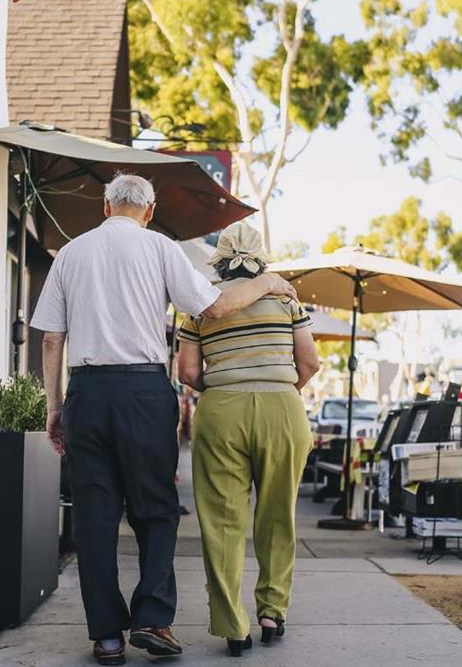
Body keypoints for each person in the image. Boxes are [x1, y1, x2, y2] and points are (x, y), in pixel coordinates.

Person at [31, 173, 298, 666]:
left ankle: (108, 636)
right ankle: (153, 619)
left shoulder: (70, 253)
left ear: (106, 206)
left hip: (87, 392)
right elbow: (215, 308)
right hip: (143, 392)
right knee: (155, 510)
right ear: (149, 211)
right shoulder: (161, 249)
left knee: (94, 518)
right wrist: (265, 282)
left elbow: (51, 338)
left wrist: (55, 406)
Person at [176, 222, 320, 657]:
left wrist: (225, 388)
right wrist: (276, 389)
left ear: (219, 258)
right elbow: (310, 362)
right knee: (278, 515)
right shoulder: (285, 300)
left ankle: (233, 626)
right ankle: (272, 610)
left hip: (221, 410)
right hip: (283, 408)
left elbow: (186, 372)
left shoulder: (202, 305)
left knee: (221, 522)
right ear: (261, 258)